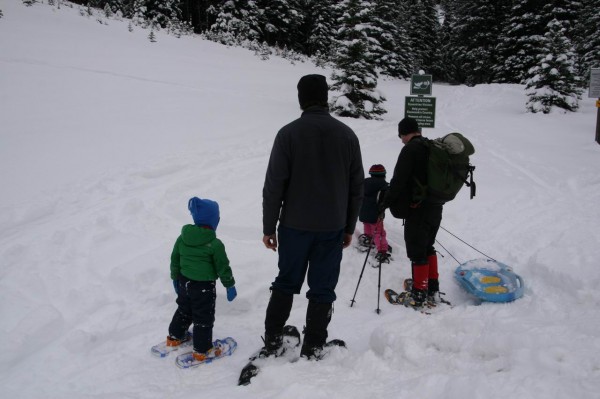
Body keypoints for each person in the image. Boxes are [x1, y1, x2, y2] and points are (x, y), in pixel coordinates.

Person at [261, 74, 364, 360]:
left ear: (301, 98)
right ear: (325, 97)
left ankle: (272, 340)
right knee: (322, 287)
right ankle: (314, 344)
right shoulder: (346, 135)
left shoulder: (288, 134)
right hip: (331, 227)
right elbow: (357, 188)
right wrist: (348, 227)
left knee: (285, 281)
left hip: (294, 226)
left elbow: (274, 186)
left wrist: (269, 227)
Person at [380, 117, 444, 308]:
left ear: (405, 132)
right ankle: (431, 289)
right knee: (428, 247)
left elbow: (399, 180)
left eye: (401, 136)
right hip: (435, 207)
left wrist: (385, 202)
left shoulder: (410, 149)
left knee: (417, 251)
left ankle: (418, 295)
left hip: (418, 210)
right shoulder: (430, 147)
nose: (401, 140)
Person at [166, 197, 237, 361]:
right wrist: (229, 285)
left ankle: (175, 336)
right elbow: (223, 267)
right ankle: (202, 349)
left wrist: (175, 277)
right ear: (214, 220)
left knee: (184, 308)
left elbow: (174, 259)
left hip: (184, 282)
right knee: (203, 316)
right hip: (203, 287)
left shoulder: (182, 237)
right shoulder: (214, 243)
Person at [358, 164, 391, 263]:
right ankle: (382, 250)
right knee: (379, 232)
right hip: (376, 214)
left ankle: (368, 238)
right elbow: (386, 200)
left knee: (367, 225)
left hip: (363, 211)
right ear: (384, 174)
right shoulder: (385, 186)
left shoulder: (363, 182)